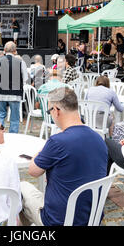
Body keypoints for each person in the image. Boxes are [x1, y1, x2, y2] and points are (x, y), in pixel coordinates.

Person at [20, 87, 108, 226]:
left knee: (21, 187)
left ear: (56, 110)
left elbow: (33, 171)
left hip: (59, 220)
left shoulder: (57, 142)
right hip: (91, 218)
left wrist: (42, 150)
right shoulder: (99, 139)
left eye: (49, 111)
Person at [0, 41, 28, 133]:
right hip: (15, 93)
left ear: (4, 50)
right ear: (15, 51)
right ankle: (13, 137)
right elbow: (25, 79)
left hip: (0, 92)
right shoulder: (21, 62)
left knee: (0, 114)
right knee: (15, 118)